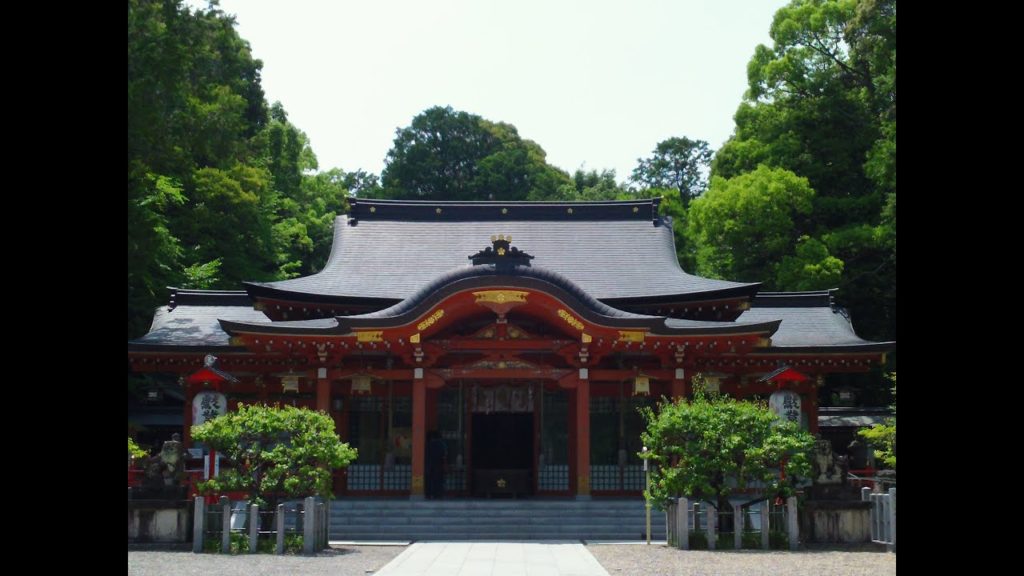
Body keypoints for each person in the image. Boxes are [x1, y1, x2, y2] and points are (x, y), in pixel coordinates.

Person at [425, 430, 447, 499]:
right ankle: (438, 494)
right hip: (438, 465)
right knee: (438, 480)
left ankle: (428, 494)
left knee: (428, 480)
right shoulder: (442, 444)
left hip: (428, 464)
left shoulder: (427, 444)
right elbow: (444, 455)